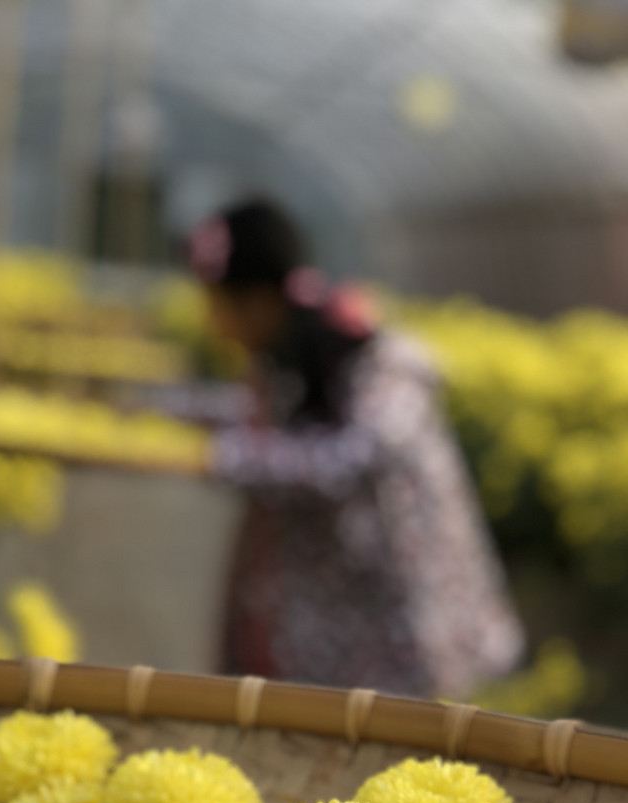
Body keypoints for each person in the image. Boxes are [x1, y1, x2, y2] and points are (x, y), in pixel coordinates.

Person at [177, 197, 524, 699]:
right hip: (345, 631)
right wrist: (166, 413)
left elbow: (351, 457)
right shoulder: (288, 355)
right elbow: (258, 418)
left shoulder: (369, 354)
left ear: (257, 299)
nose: (210, 323)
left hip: (404, 623)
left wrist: (222, 458)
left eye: (214, 303)